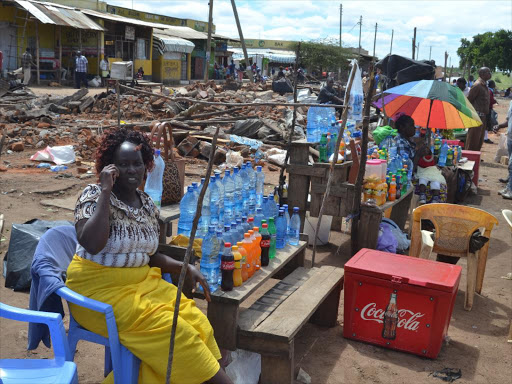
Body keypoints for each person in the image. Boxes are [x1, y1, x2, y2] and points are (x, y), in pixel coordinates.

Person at [66, 128, 233, 384]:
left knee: (194, 318)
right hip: (97, 292)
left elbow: (150, 256)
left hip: (141, 286)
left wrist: (185, 268)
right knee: (174, 331)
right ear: (110, 167)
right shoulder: (93, 196)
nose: (132, 170)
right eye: (123, 165)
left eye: (137, 164)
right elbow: (91, 243)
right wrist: (105, 193)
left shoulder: (146, 205)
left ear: (147, 166)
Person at [394, 113, 446, 204]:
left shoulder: (408, 141)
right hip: (406, 178)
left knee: (442, 177)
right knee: (440, 188)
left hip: (418, 172)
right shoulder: (400, 142)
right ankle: (426, 210)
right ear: (402, 127)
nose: (414, 128)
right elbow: (405, 168)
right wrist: (418, 155)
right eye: (411, 125)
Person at [466, 67, 491, 151]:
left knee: (479, 139)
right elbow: (469, 100)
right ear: (482, 74)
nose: (490, 74)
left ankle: (475, 156)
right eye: (488, 72)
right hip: (477, 116)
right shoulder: (477, 85)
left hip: (483, 117)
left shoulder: (484, 85)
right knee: (473, 139)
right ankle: (470, 156)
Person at [493, 100, 512, 200]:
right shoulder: (511, 102)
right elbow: (509, 120)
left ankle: (510, 190)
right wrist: (499, 126)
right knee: (510, 165)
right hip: (510, 137)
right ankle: (509, 186)